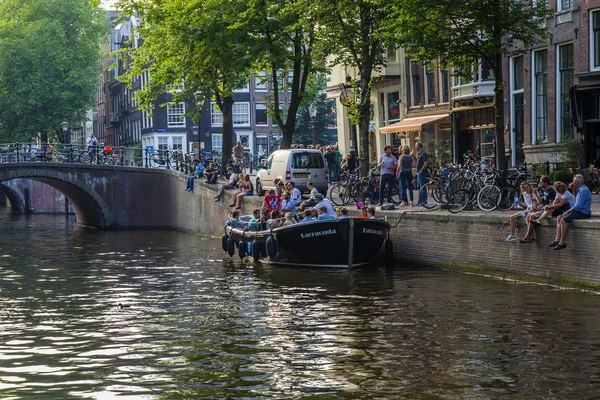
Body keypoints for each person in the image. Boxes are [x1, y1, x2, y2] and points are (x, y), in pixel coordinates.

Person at [550, 174, 592, 250]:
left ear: (576, 182)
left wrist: (566, 212)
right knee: (559, 217)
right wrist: (573, 189)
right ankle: (557, 239)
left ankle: (562, 242)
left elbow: (577, 206)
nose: (572, 182)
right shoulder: (580, 189)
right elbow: (576, 197)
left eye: (573, 181)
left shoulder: (583, 190)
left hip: (583, 212)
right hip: (579, 210)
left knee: (563, 220)